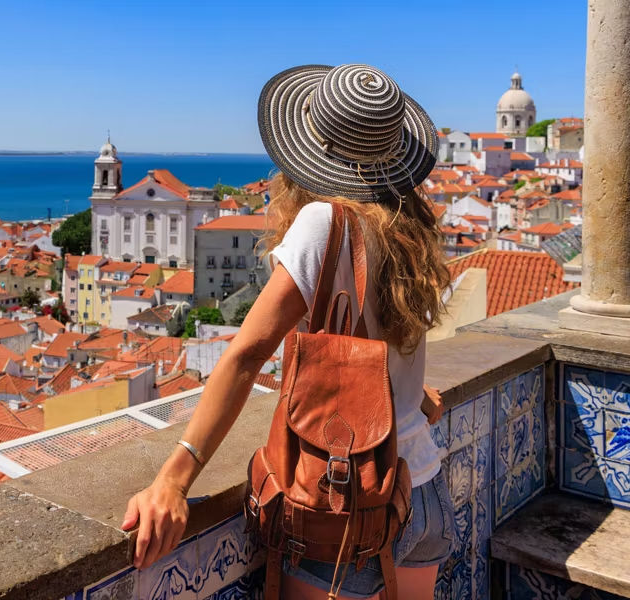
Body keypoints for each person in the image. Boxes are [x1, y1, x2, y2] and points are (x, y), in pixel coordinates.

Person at [122, 64, 455, 600]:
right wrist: (410, 396)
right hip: (425, 489)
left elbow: (247, 355)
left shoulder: (324, 221)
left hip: (349, 505)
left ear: (310, 149)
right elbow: (390, 341)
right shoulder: (405, 225)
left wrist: (174, 480)